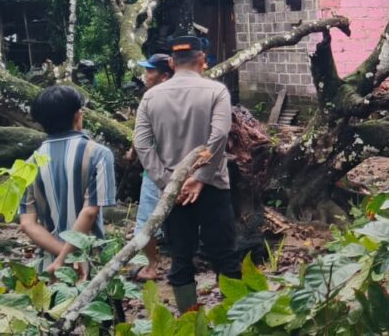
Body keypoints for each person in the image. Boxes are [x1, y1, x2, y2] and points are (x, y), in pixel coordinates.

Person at [134, 36, 238, 312]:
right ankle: (236, 321)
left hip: (173, 193)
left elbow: (142, 144)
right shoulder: (217, 92)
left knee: (181, 258)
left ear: (171, 62)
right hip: (213, 186)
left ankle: (190, 322)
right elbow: (219, 135)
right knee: (225, 255)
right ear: (202, 60)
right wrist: (200, 178)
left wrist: (169, 182)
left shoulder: (151, 97)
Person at [19, 86, 117, 278]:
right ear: (78, 115)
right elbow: (90, 211)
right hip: (89, 261)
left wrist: (59, 256)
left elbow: (27, 224)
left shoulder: (30, 163)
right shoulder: (98, 153)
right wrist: (66, 258)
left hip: (47, 263)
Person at [124, 53, 174, 281]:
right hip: (178, 168)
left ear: (164, 75)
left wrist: (134, 152)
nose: (145, 75)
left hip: (155, 170)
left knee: (147, 220)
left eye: (150, 71)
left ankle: (152, 266)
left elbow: (143, 137)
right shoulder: (178, 96)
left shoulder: (151, 98)